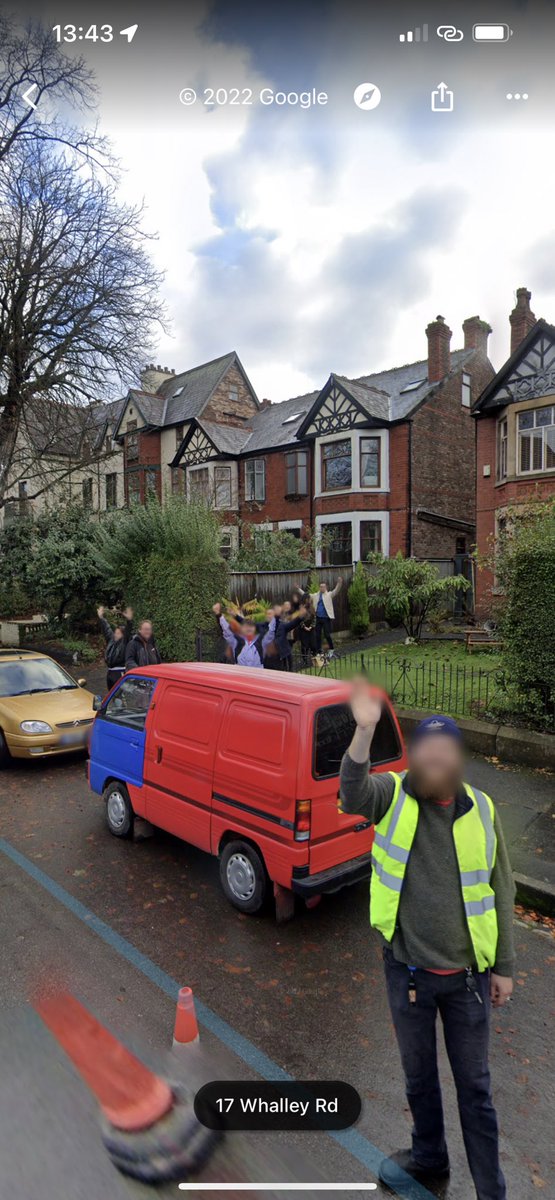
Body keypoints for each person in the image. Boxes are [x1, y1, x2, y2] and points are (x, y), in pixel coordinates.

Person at [339, 680, 514, 1199]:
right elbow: (351, 793)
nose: (435, 760)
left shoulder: (482, 809)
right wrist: (365, 730)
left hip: (467, 982)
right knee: (418, 1078)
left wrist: (502, 965)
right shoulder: (393, 795)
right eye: (426, 751)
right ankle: (429, 1155)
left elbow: (500, 888)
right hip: (408, 972)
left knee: (475, 1091)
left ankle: (491, 1190)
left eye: (445, 752)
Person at [212, 603, 273, 668]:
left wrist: (273, 618)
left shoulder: (261, 640)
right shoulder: (236, 640)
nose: (248, 628)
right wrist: (218, 614)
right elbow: (226, 629)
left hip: (258, 674)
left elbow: (272, 629)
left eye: (251, 626)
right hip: (240, 674)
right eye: (246, 626)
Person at [97, 605, 133, 690]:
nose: (115, 635)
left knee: (120, 696)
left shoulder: (125, 642)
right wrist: (101, 617)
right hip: (110, 672)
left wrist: (129, 620)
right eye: (115, 633)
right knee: (111, 695)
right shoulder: (111, 640)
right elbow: (107, 629)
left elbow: (128, 631)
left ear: (123, 635)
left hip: (119, 672)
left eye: (118, 633)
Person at [269, 603, 307, 670]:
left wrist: (300, 615)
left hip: (284, 657)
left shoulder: (281, 626)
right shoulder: (262, 628)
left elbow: (293, 623)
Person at [311, 576, 343, 655]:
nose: (322, 588)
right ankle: (319, 650)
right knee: (317, 635)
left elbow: (336, 590)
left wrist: (339, 583)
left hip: (326, 618)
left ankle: (331, 648)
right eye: (321, 587)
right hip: (318, 618)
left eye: (323, 587)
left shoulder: (329, 595)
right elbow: (306, 595)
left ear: (326, 587)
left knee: (327, 634)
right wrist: (298, 589)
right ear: (319, 587)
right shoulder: (315, 595)